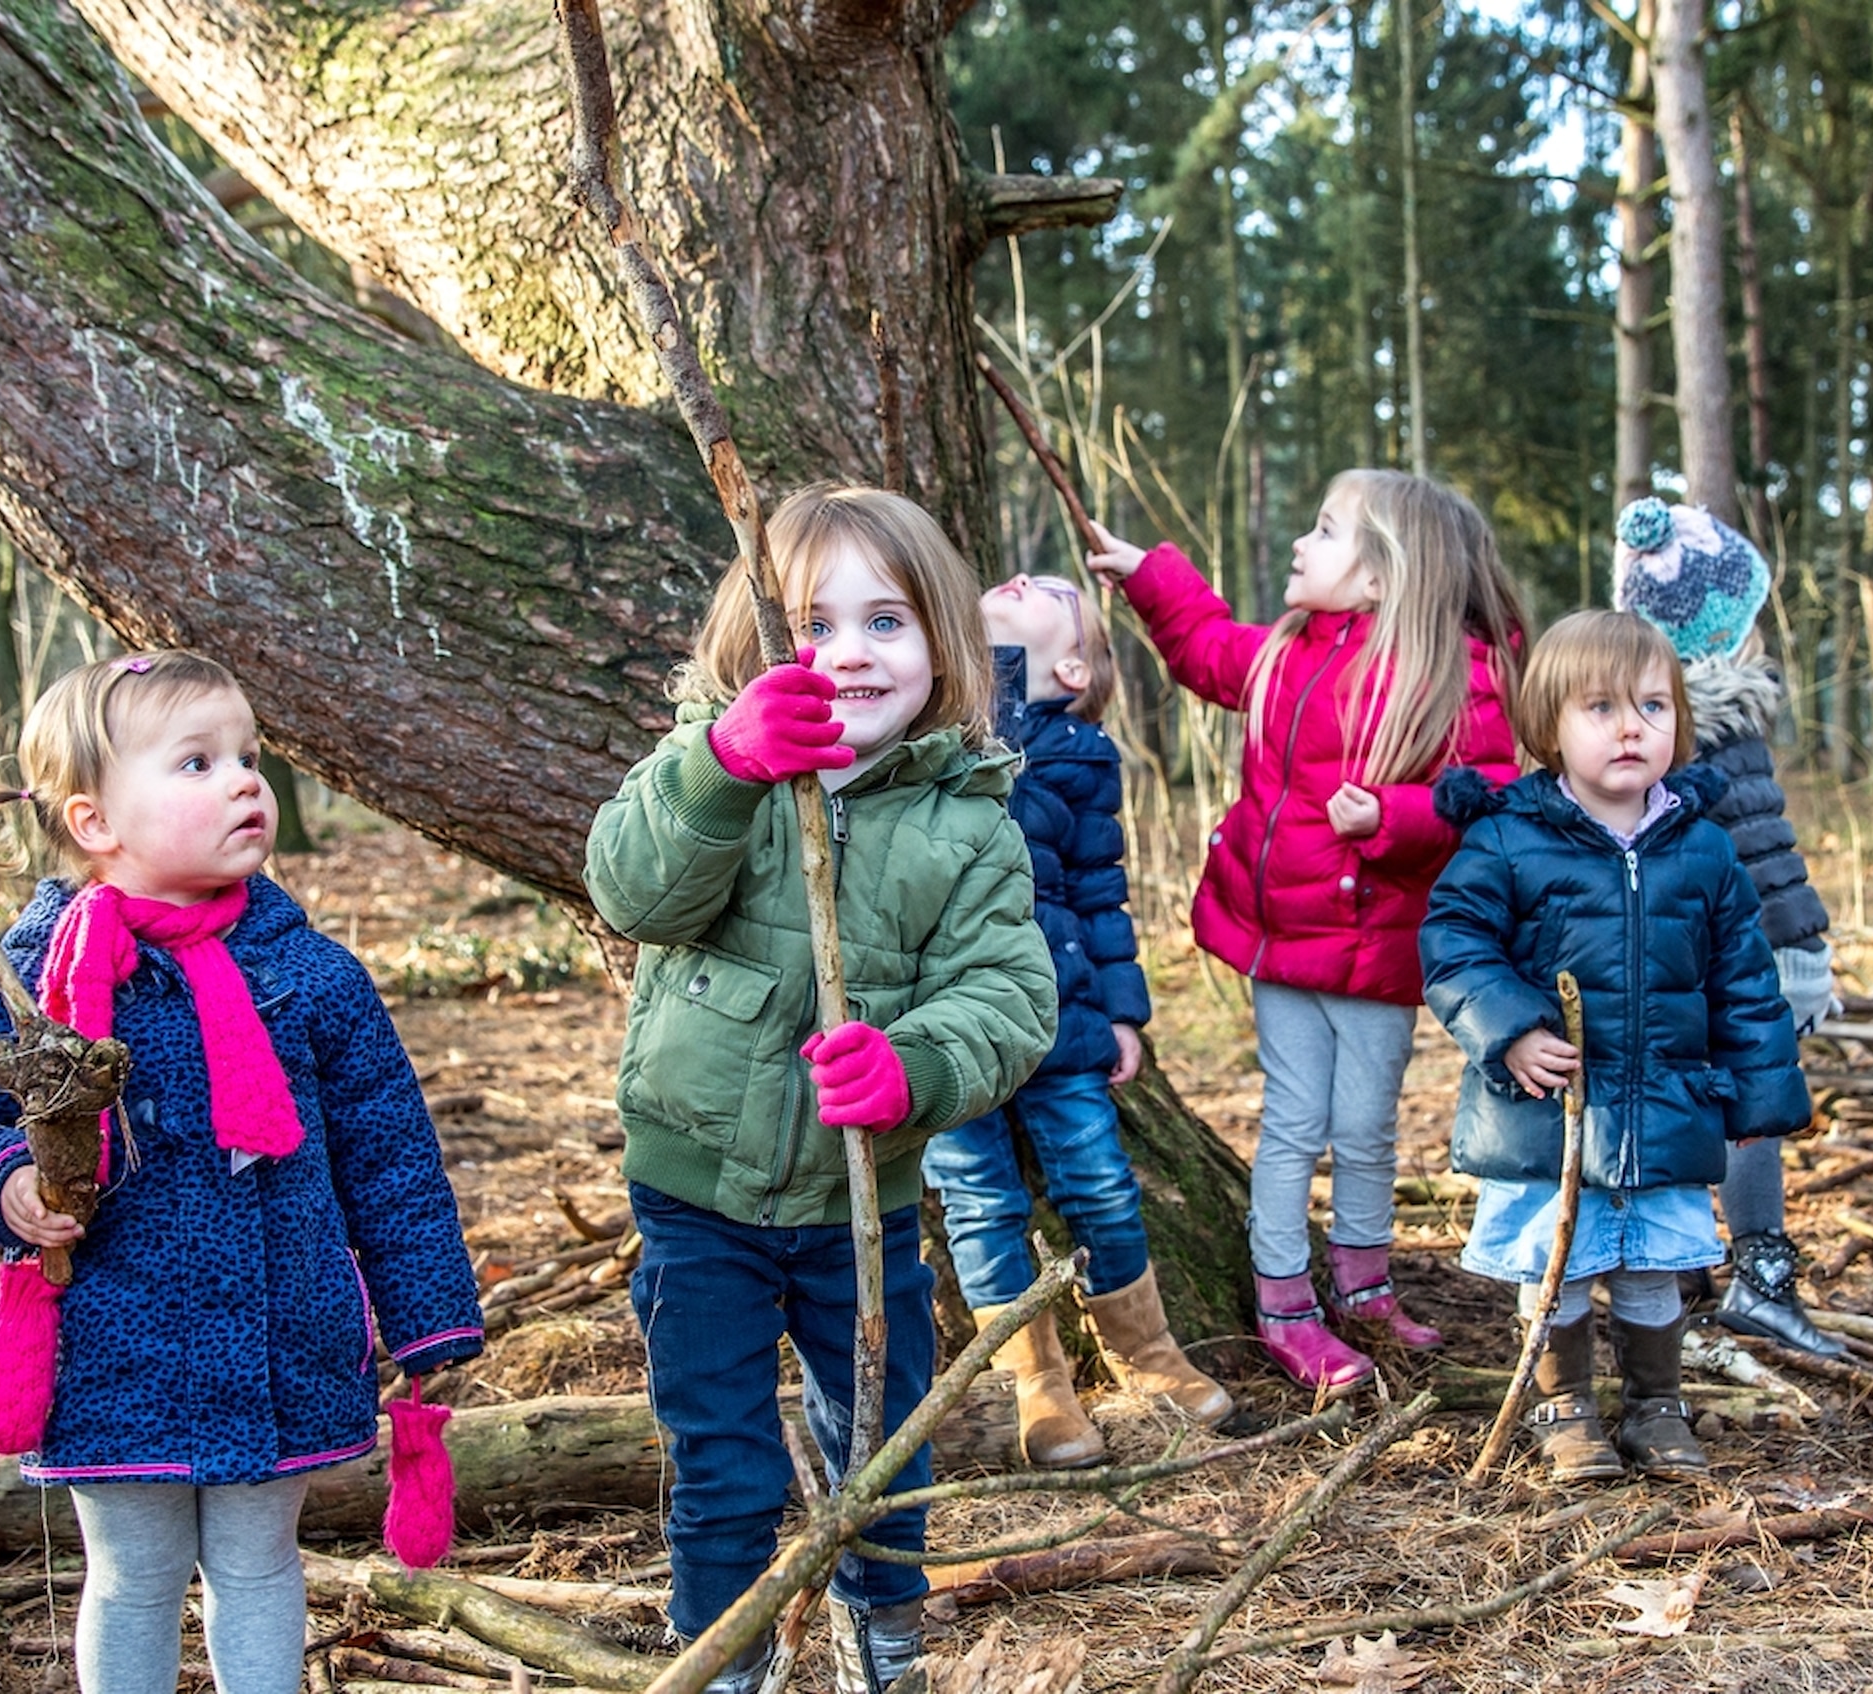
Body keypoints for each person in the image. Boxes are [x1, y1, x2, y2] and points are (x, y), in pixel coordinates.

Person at [0, 651, 485, 1694]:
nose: (245, 781)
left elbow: (391, 1163)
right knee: (133, 1570)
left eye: (247, 757)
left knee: (258, 1563)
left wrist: (428, 1324)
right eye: (198, 762)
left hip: (281, 1332)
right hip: (112, 1338)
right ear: (93, 822)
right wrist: (5, 1188)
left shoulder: (312, 975)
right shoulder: (34, 978)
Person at [587, 485, 1055, 1693]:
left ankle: (883, 1636)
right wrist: (723, 766)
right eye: (811, 625)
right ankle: (725, 1653)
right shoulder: (707, 768)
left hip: (865, 1205)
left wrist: (913, 1067)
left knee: (885, 1443)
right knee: (725, 1453)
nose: (847, 651)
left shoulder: (966, 819)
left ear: (944, 646)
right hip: (698, 1202)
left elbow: (1008, 996)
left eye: (887, 622)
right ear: (753, 648)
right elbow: (631, 892)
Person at [1085, 470, 1526, 1388]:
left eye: (1325, 531)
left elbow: (1482, 801)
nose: (1300, 544)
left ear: (1379, 578)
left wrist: (1391, 820)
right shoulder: (1286, 655)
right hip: (1281, 934)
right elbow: (1206, 647)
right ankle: (1283, 1300)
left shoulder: (1461, 677)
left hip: (1380, 948)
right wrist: (1144, 573)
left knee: (1366, 1126)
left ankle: (1363, 1284)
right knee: (1294, 1120)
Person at [1419, 608, 1811, 1481]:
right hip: (1549, 1116)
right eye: (1601, 708)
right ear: (1548, 728)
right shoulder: (1509, 839)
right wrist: (1511, 1028)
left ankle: (1656, 1407)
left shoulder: (1704, 852)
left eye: (1652, 706)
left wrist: (1759, 1101)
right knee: (1557, 1266)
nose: (1632, 727)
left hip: (1669, 1106)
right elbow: (1453, 942)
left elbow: (1746, 983)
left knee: (1653, 1266)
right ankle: (1564, 1407)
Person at [926, 571, 1236, 1470]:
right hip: (944, 1028)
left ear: (1071, 668)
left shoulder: (1077, 752)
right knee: (981, 1204)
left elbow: (1103, 898)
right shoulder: (929, 718)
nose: (1025, 576)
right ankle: (1033, 1382)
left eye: (1056, 592)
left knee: (1098, 1185)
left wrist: (1124, 1016)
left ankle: (1147, 1354)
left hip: (1061, 1021)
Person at [1608, 499, 1847, 1358]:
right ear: (1728, 625)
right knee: (1751, 1109)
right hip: (1745, 954)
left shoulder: (1651, 730)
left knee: (1696, 1102)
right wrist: (1804, 952)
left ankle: (1681, 1271)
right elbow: (1763, 855)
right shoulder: (1723, 727)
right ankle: (1760, 1278)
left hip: (1681, 953)